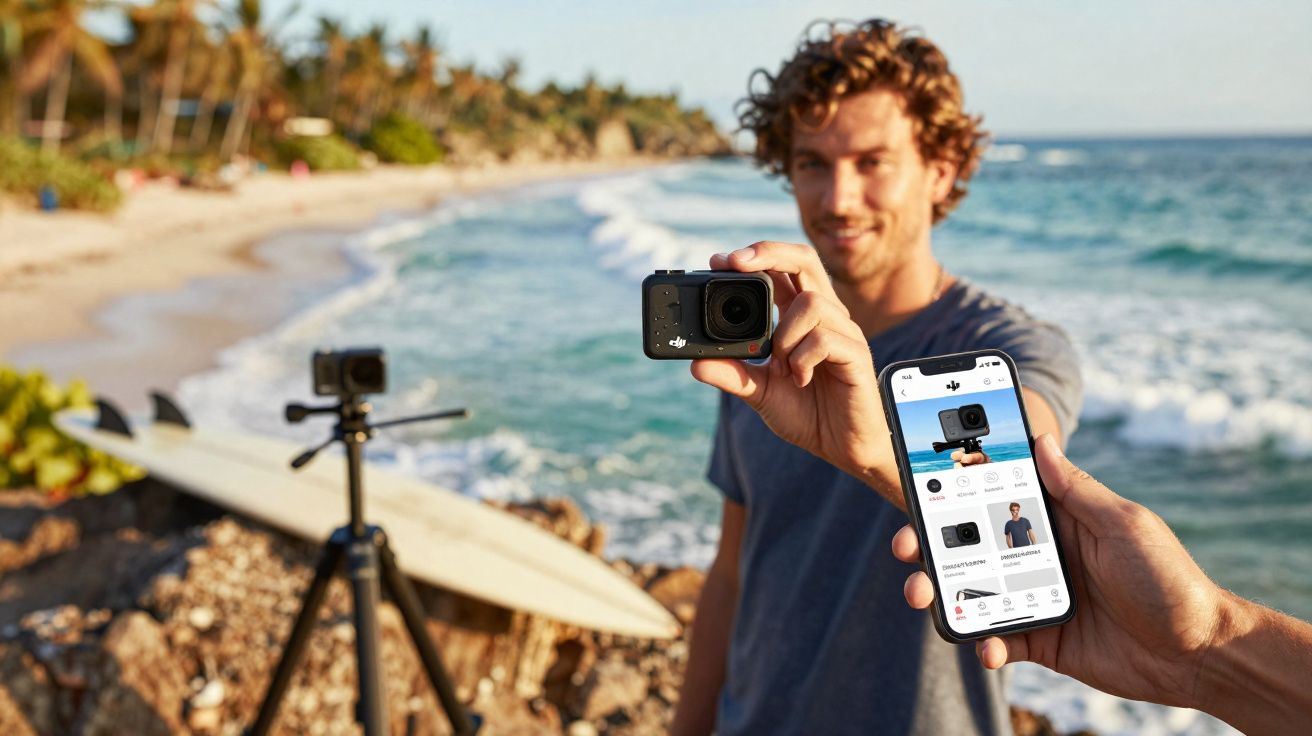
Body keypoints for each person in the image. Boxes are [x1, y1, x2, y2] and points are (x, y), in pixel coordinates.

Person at [672, 19, 1083, 736]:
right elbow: (733, 571)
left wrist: (870, 437)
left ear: (940, 170)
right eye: (812, 162)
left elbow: (1010, 480)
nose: (838, 197)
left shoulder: (1004, 349)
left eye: (873, 161)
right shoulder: (764, 356)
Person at [892, 434, 1312, 735]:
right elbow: (1007, 535)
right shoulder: (1004, 516)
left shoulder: (1030, 347)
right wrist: (1202, 648)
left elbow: (1039, 426)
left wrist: (1205, 643)